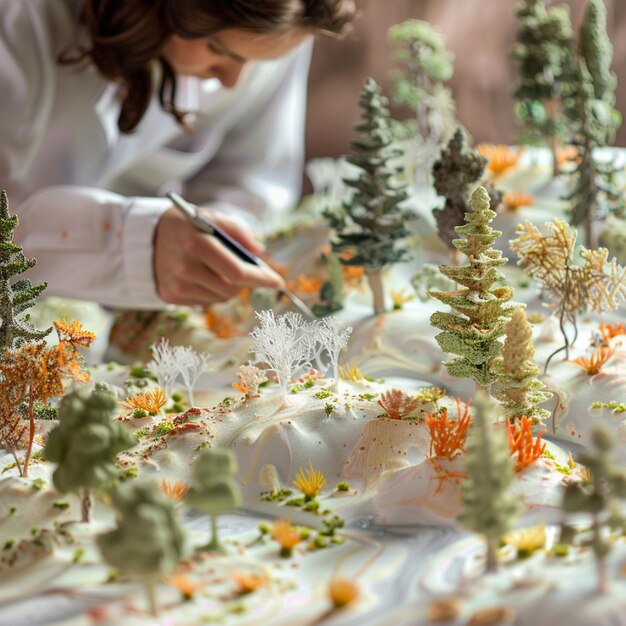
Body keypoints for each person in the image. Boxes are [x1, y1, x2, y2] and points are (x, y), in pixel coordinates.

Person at [0, 0, 357, 309]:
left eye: (257, 62)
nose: (233, 81)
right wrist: (131, 243)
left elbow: (252, 177)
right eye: (219, 48)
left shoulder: (281, 23)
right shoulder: (18, 23)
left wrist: (217, 244)